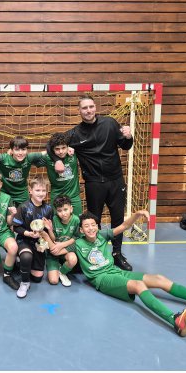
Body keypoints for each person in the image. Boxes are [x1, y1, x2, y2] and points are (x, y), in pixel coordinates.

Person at [65, 211, 186, 337]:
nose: (91, 228)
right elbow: (57, 250)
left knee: (159, 279)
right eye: (87, 226)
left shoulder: (101, 235)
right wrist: (60, 267)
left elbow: (124, 226)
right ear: (81, 230)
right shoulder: (77, 243)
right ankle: (174, 320)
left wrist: (137, 214)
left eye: (93, 225)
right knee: (139, 285)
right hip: (102, 279)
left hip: (116, 271)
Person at [47, 94, 134, 271]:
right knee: (94, 221)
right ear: (79, 111)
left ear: (95, 107)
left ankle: (117, 253)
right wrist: (56, 160)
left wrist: (128, 136)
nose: (88, 110)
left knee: (118, 218)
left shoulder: (109, 123)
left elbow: (126, 146)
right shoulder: (74, 134)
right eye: (84, 108)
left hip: (116, 181)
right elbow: (51, 145)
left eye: (91, 107)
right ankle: (96, 251)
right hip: (94, 183)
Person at [11, 175, 54, 298]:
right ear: (30, 190)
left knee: (37, 278)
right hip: (24, 240)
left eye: (43, 190)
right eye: (37, 190)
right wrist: (28, 233)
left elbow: (49, 231)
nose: (41, 193)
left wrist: (48, 230)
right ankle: (24, 283)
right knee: (26, 257)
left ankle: (21, 264)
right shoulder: (23, 207)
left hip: (39, 243)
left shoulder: (49, 209)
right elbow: (16, 227)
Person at [41, 195, 80, 287]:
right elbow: (54, 239)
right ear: (56, 211)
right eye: (59, 211)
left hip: (65, 250)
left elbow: (76, 237)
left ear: (71, 209)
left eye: (65, 209)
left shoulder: (76, 220)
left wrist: (62, 245)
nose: (63, 213)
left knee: (72, 259)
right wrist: (50, 230)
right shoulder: (54, 219)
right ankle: (55, 264)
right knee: (53, 281)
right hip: (54, 250)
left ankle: (62, 272)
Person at [39, 133, 82, 216]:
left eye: (63, 148)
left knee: (78, 221)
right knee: (56, 222)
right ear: (52, 149)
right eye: (57, 149)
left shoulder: (73, 154)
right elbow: (29, 158)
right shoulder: (48, 158)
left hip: (74, 196)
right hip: (57, 196)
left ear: (68, 146)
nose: (61, 151)